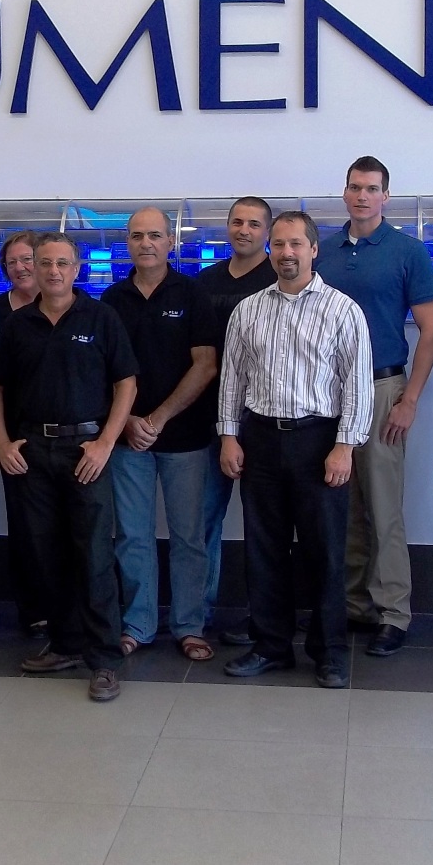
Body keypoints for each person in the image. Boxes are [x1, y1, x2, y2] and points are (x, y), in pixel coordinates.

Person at [218, 211, 373, 689]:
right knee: (263, 548)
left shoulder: (343, 310)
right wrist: (229, 435)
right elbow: (232, 379)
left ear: (313, 249)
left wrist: (345, 446)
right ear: (271, 249)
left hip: (318, 441)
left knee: (324, 550)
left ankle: (329, 653)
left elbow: (357, 385)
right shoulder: (248, 310)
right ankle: (271, 646)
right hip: (261, 440)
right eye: (279, 245)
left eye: (296, 244)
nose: (287, 253)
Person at [0, 232, 137, 702]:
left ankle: (105, 659)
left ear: (77, 268)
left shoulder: (100, 317)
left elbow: (126, 384)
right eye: (44, 263)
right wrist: (2, 441)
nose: (52, 271)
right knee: (45, 554)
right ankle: (66, 644)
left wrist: (106, 443)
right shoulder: (18, 323)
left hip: (85, 452)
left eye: (62, 263)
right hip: (33, 454)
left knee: (94, 555)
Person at [317, 157, 433, 657]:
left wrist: (410, 399)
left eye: (371, 188)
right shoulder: (323, 251)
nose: (362, 196)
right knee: (342, 503)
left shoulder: (408, 251)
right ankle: (354, 604)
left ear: (386, 196)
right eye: (354, 187)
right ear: (344, 192)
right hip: (326, 392)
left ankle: (393, 612)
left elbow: (431, 330)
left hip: (382, 387)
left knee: (384, 506)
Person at [101, 207, 218, 660]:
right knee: (132, 535)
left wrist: (159, 418)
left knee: (189, 536)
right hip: (128, 439)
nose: (145, 243)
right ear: (127, 243)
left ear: (171, 242)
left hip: (185, 438)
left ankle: (189, 625)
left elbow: (205, 365)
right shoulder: (111, 299)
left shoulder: (193, 293)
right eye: (137, 236)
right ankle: (139, 623)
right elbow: (105, 372)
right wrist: (130, 421)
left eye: (154, 235)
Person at [194, 196, 276, 645]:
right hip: (211, 420)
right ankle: (198, 613)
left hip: (265, 421)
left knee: (266, 525)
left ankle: (262, 617)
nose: (244, 230)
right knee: (205, 519)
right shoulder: (205, 282)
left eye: (254, 224)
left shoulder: (279, 278)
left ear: (268, 232)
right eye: (237, 222)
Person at [0, 230, 45, 633]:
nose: (20, 268)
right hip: (13, 437)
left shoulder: (75, 308)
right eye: (12, 262)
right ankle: (34, 611)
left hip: (63, 435)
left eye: (28, 259)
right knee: (24, 526)